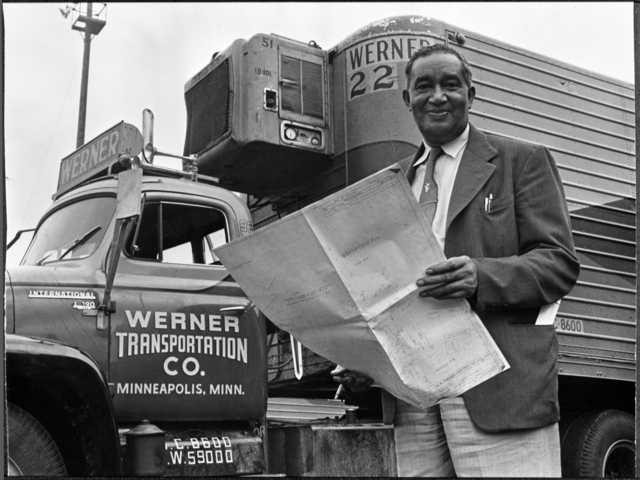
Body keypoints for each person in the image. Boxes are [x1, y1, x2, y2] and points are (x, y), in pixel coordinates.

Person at [333, 44, 580, 477]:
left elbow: (559, 263)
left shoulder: (520, 161)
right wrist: (364, 359)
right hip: (414, 395)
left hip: (497, 384)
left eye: (451, 84)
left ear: (472, 92)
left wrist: (479, 277)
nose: (438, 96)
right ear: (406, 99)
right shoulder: (392, 184)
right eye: (424, 86)